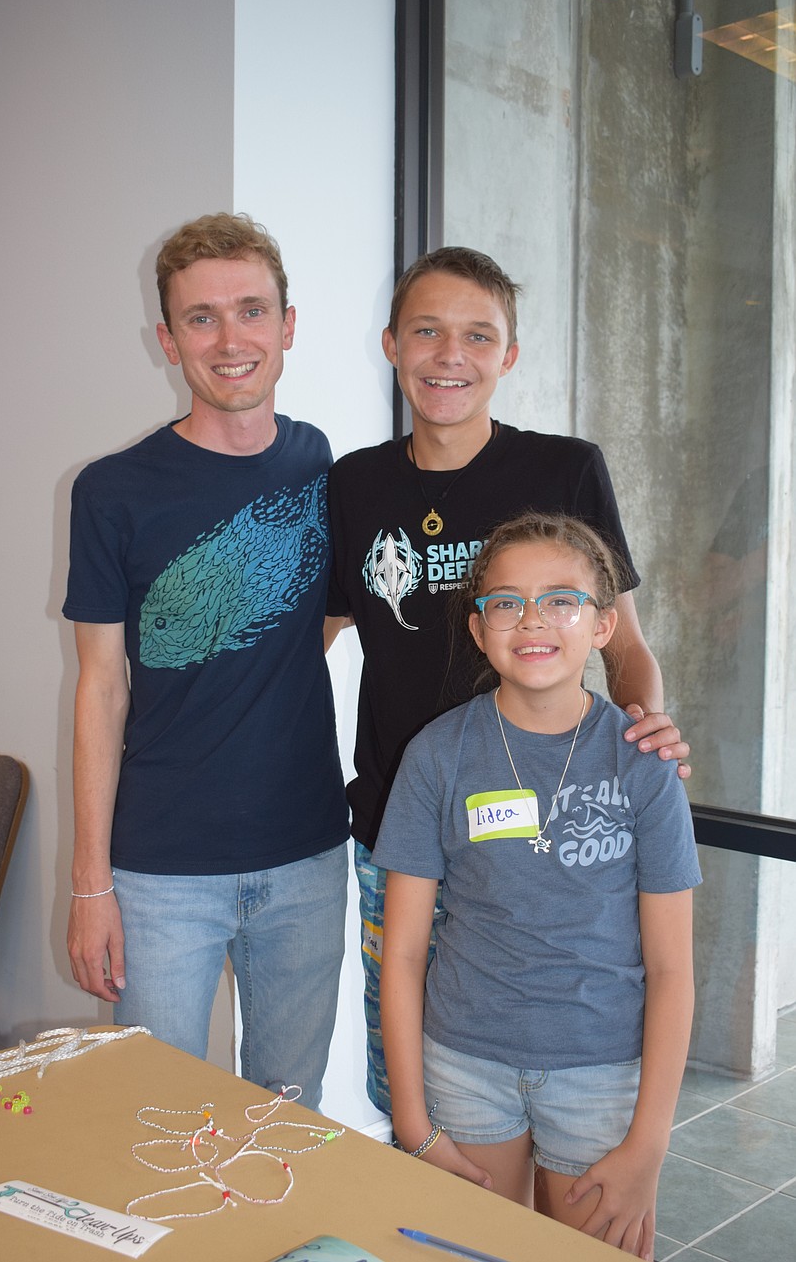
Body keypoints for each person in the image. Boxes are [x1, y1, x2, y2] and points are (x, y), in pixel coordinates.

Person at [325, 246, 691, 1114]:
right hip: (397, 834)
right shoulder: (354, 483)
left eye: (477, 335)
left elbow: (623, 643)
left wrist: (646, 735)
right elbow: (319, 637)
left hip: (550, 841)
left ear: (508, 356)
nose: (450, 355)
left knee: (558, 1082)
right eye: (428, 331)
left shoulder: (565, 470)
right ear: (390, 345)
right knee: (417, 1093)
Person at [63, 212, 348, 1109]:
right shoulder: (111, 491)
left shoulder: (317, 460)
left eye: (252, 311)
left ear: (289, 325)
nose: (232, 339)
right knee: (161, 1122)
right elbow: (101, 689)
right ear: (167, 339)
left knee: (286, 1120)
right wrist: (89, 882)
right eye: (202, 317)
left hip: (308, 853)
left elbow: (323, 617)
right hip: (159, 873)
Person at [374, 513, 700, 1259]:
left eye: (561, 599)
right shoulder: (436, 756)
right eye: (506, 602)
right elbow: (404, 955)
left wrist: (650, 1144)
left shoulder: (645, 765)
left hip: (602, 1075)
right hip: (464, 1065)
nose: (532, 619)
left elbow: (675, 968)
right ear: (480, 626)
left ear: (603, 624)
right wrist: (414, 1126)